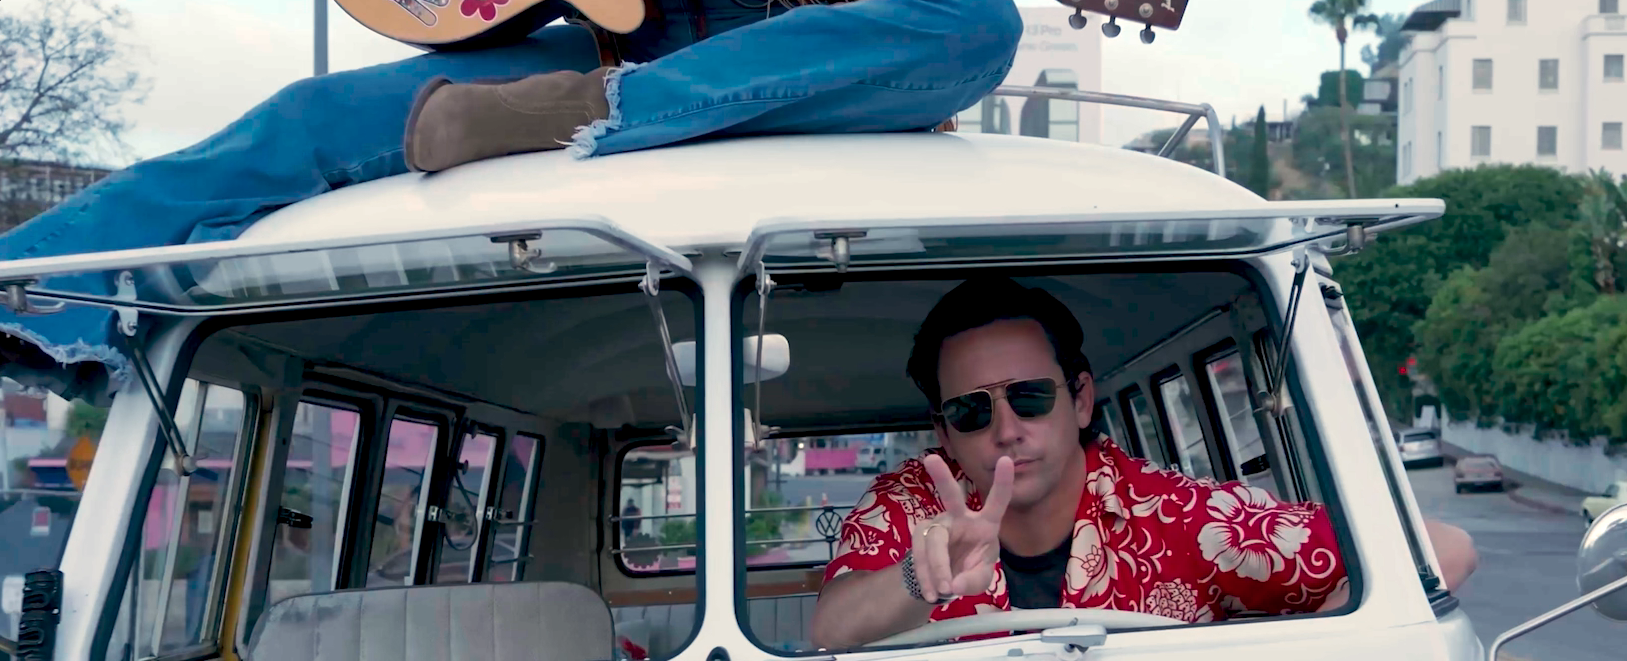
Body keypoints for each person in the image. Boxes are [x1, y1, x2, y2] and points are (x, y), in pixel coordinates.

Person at [0, 0, 1022, 379]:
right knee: (310, 118)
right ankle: (35, 296)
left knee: (983, 21)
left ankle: (589, 108)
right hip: (634, 41)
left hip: (764, 45)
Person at [809, 279, 1480, 651]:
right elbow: (827, 631)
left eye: (1031, 398)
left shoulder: (1180, 517)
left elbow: (1443, 552)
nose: (1007, 430)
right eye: (972, 413)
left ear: (1078, 399)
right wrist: (917, 580)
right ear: (944, 433)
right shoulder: (910, 504)